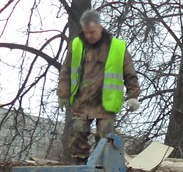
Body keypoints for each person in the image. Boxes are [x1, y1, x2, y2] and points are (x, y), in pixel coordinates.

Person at [57, 9, 141, 163]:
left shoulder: (117, 47)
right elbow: (66, 71)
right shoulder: (77, 45)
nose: (89, 36)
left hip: (106, 103)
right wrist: (62, 94)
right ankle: (80, 166)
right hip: (82, 101)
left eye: (92, 32)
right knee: (77, 132)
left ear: (100, 28)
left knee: (105, 137)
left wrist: (133, 95)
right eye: (86, 32)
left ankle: (102, 168)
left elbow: (129, 72)